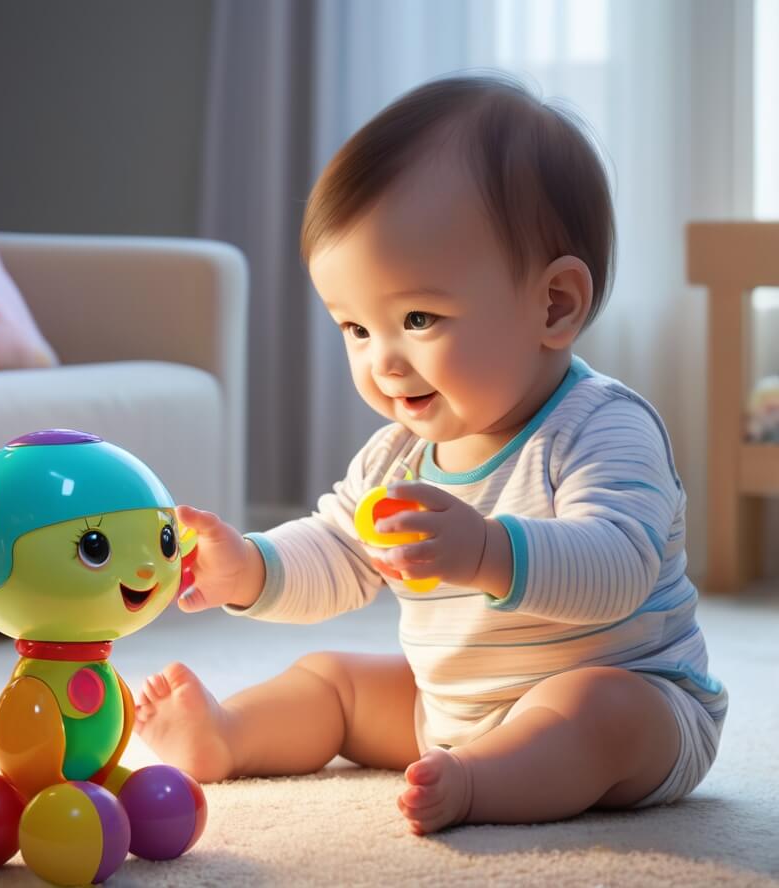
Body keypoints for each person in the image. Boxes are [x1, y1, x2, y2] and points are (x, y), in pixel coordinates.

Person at [133, 72, 727, 835]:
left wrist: (485, 550)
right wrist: (247, 569)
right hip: (448, 707)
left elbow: (618, 566)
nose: (382, 361)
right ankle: (226, 735)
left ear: (554, 305)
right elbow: (337, 551)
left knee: (593, 710)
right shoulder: (399, 456)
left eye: (418, 317)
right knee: (336, 681)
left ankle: (481, 784)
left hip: (639, 704)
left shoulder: (602, 428)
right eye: (355, 328)